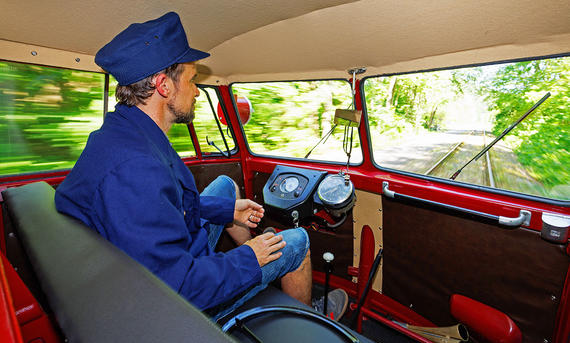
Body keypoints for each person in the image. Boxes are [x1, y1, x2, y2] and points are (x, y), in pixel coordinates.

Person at [55, 11, 347, 321]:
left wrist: (225, 211)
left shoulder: (125, 133)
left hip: (150, 266)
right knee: (297, 241)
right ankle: (309, 320)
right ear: (163, 85)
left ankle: (259, 271)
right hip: (172, 306)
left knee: (224, 186)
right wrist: (249, 259)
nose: (196, 91)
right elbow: (178, 286)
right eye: (193, 80)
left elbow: (165, 207)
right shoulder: (135, 169)